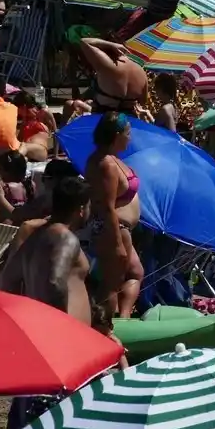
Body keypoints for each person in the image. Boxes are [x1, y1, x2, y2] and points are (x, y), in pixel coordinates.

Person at [0, 176, 93, 325]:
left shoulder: (35, 235)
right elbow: (55, 282)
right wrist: (61, 324)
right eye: (88, 206)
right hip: (66, 334)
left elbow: (9, 279)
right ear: (80, 209)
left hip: (39, 324)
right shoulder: (65, 238)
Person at [85, 112, 144, 317]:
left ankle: (121, 318)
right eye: (128, 133)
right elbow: (106, 205)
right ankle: (111, 322)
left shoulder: (112, 159)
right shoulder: (106, 164)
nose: (130, 137)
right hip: (113, 227)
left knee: (133, 274)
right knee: (113, 281)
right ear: (117, 135)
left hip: (119, 228)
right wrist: (117, 241)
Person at [75, 37, 148, 115]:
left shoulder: (107, 64)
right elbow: (143, 102)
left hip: (104, 118)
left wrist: (110, 45)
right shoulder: (141, 71)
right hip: (128, 119)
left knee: (73, 105)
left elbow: (84, 41)